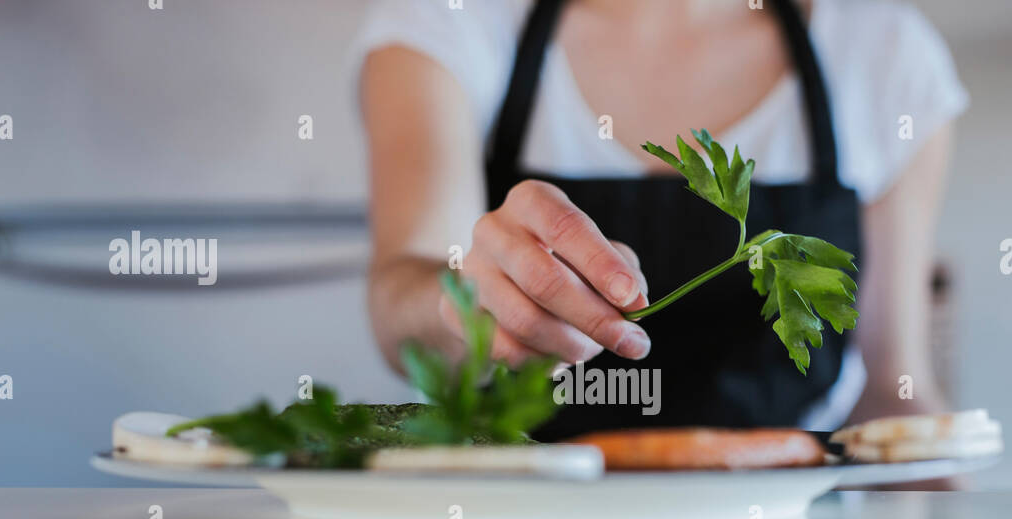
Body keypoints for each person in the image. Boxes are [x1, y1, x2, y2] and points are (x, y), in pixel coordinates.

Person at [357, 0, 967, 440]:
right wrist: (469, 303)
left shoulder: (884, 51)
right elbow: (399, 300)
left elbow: (891, 390)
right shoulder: (451, 18)